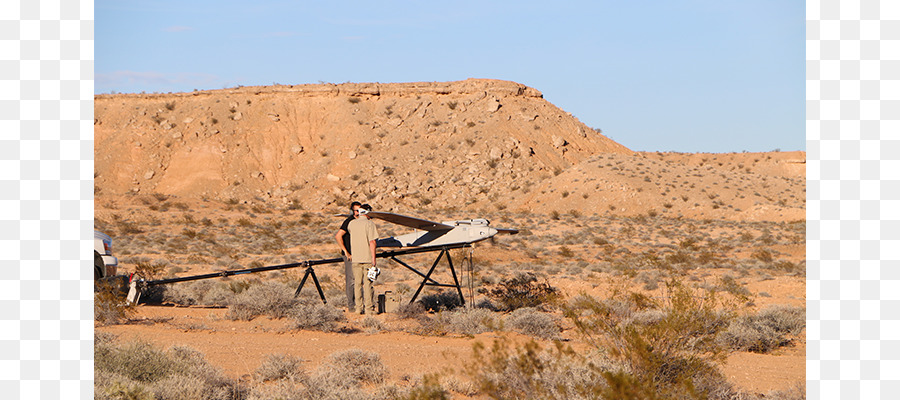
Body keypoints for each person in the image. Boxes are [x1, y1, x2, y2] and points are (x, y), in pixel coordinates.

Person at [348, 204, 379, 315]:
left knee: (357, 284)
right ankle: (369, 309)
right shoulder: (370, 224)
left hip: (355, 258)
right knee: (368, 284)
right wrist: (373, 260)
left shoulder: (351, 224)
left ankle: (358, 308)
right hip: (367, 258)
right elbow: (372, 242)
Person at [335, 201, 361, 311]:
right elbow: (338, 236)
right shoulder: (349, 221)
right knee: (351, 280)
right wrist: (346, 252)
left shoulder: (362, 222)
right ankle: (351, 306)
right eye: (356, 210)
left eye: (360, 210)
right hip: (350, 256)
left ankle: (359, 304)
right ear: (352, 211)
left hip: (360, 254)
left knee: (359, 280)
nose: (358, 213)